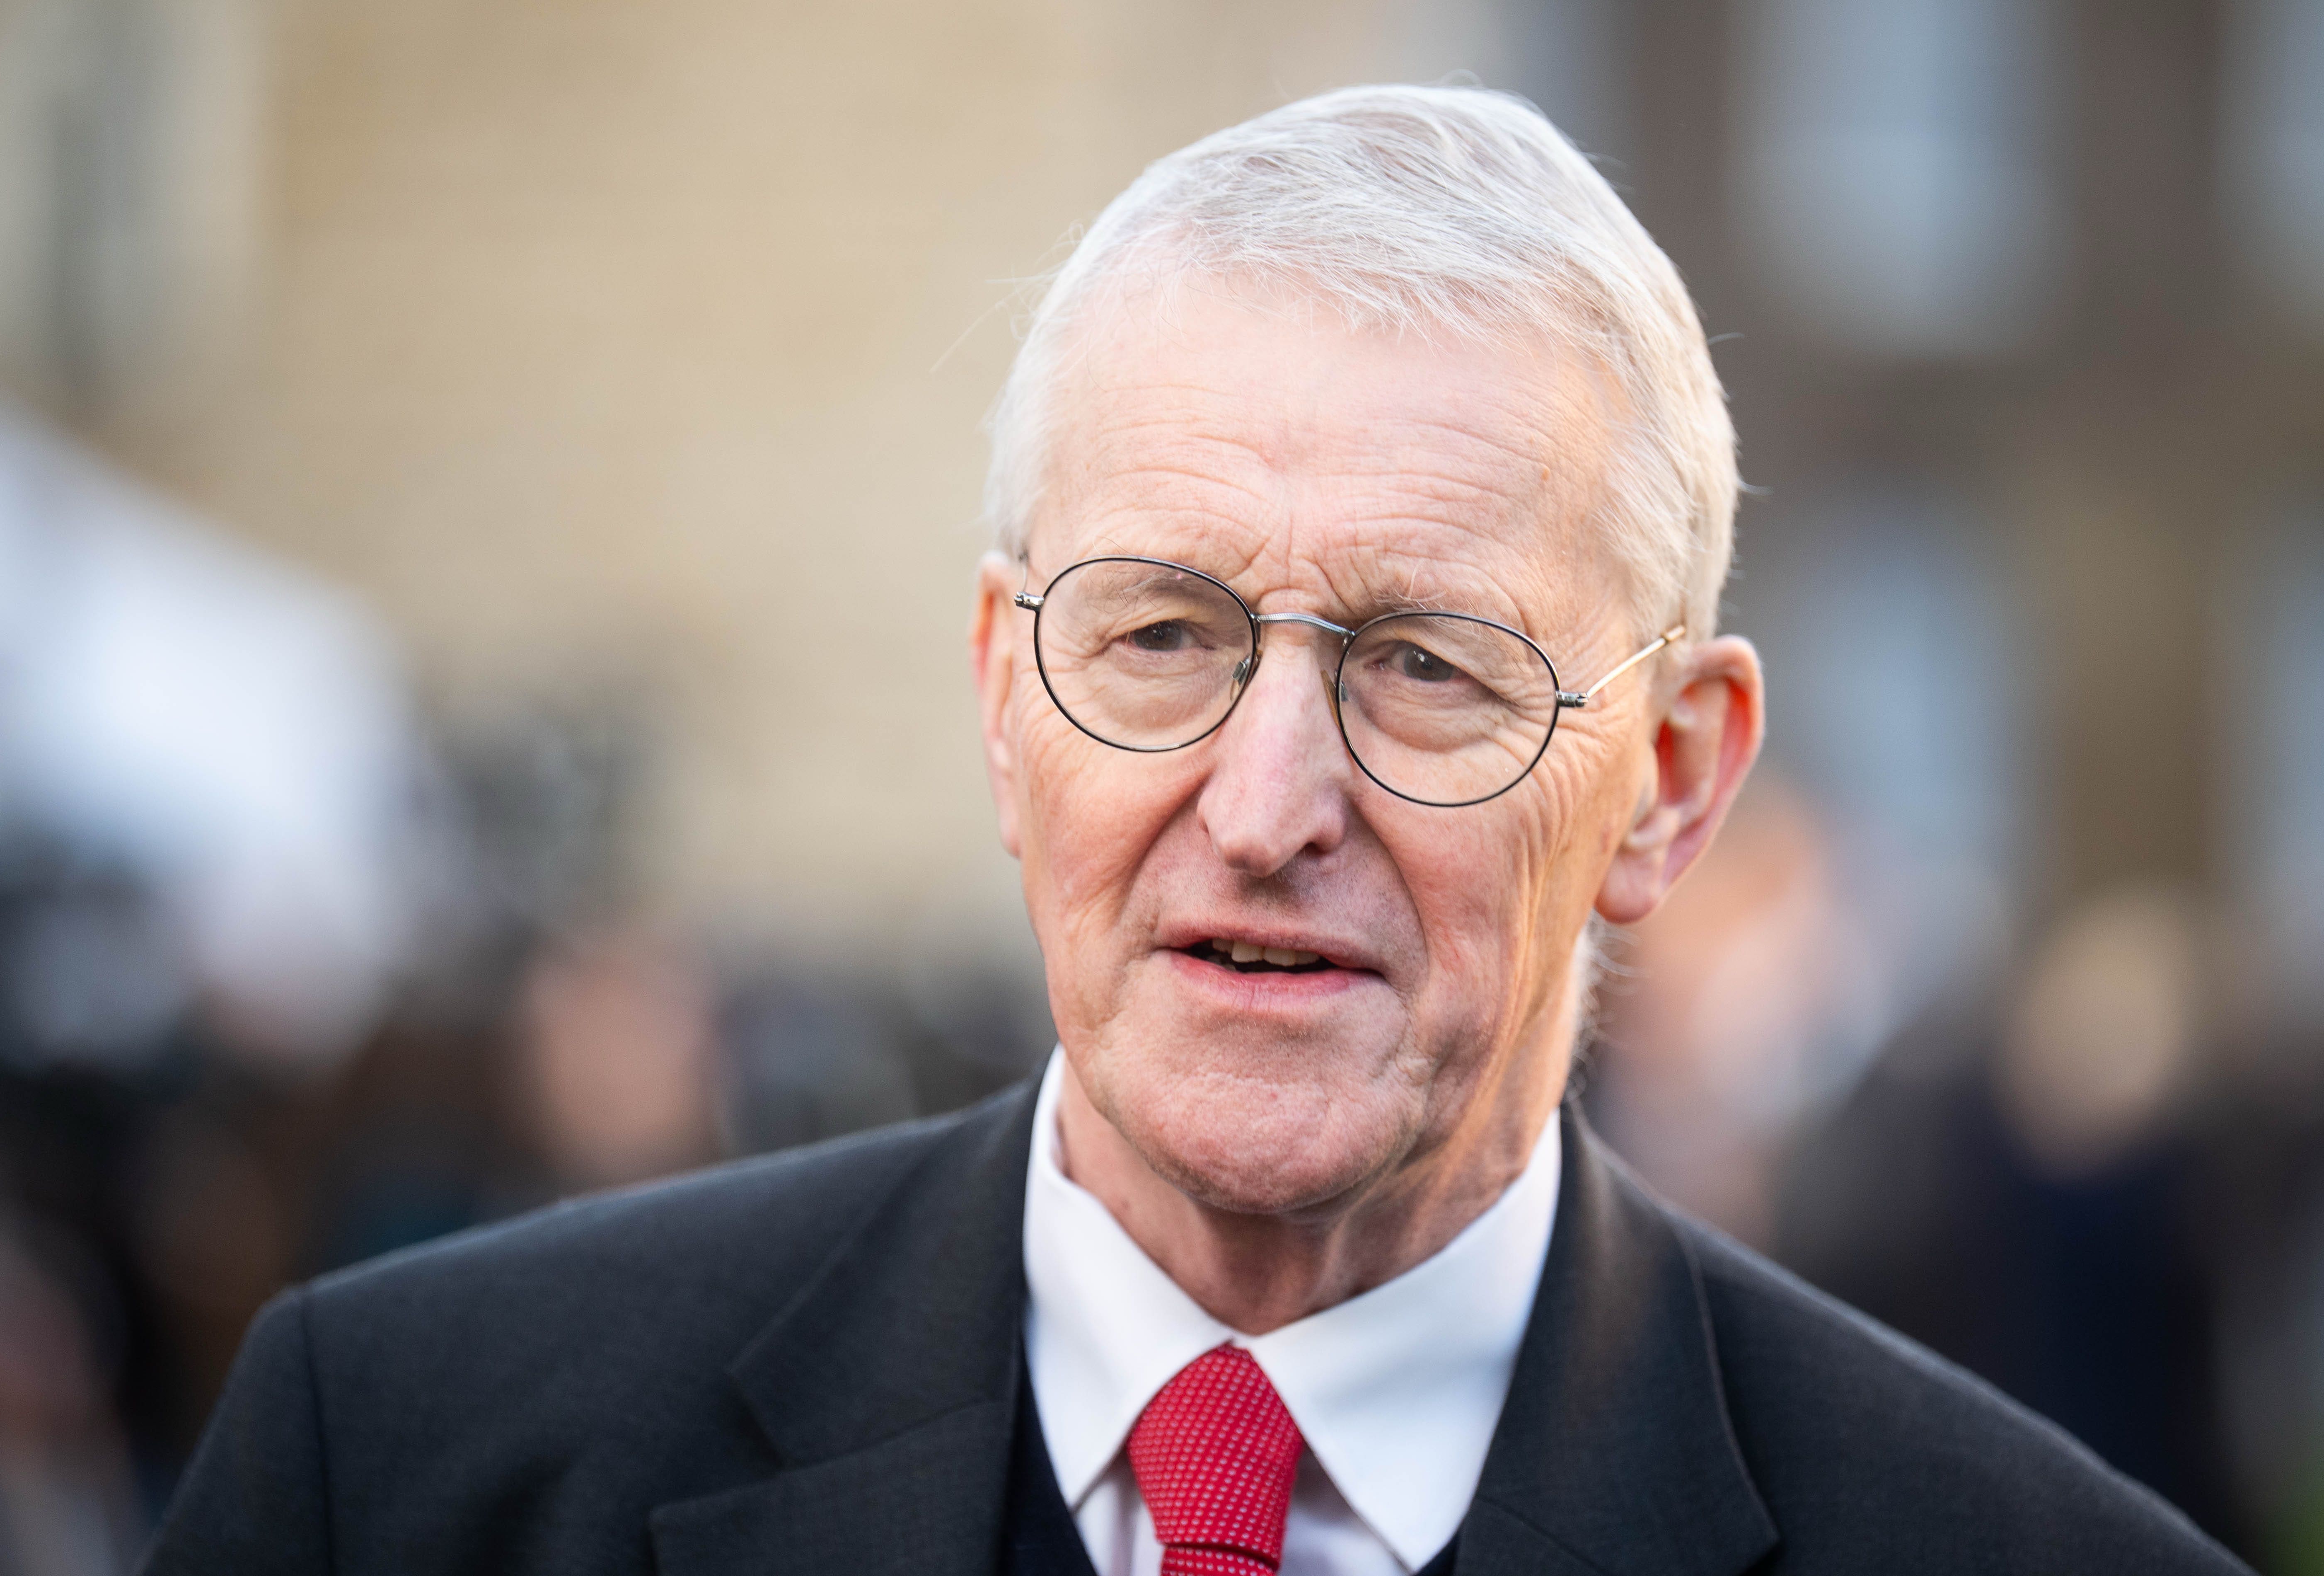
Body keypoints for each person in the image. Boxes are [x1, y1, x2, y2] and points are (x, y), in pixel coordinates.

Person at [140, 85, 2245, 1575]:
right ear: (999, 697)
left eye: (1427, 663)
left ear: (1671, 781)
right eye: (1159, 635)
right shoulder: (411, 1469)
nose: (1260, 809)